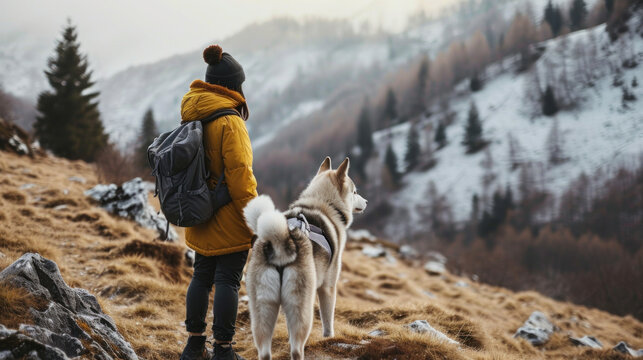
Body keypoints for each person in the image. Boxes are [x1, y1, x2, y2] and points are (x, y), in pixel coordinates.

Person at [179, 45, 257, 360]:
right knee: (227, 279)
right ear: (233, 86)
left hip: (198, 209)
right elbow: (240, 176)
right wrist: (255, 217)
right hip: (227, 215)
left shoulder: (193, 110)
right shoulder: (230, 121)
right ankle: (223, 349)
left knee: (201, 275)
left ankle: (194, 345)